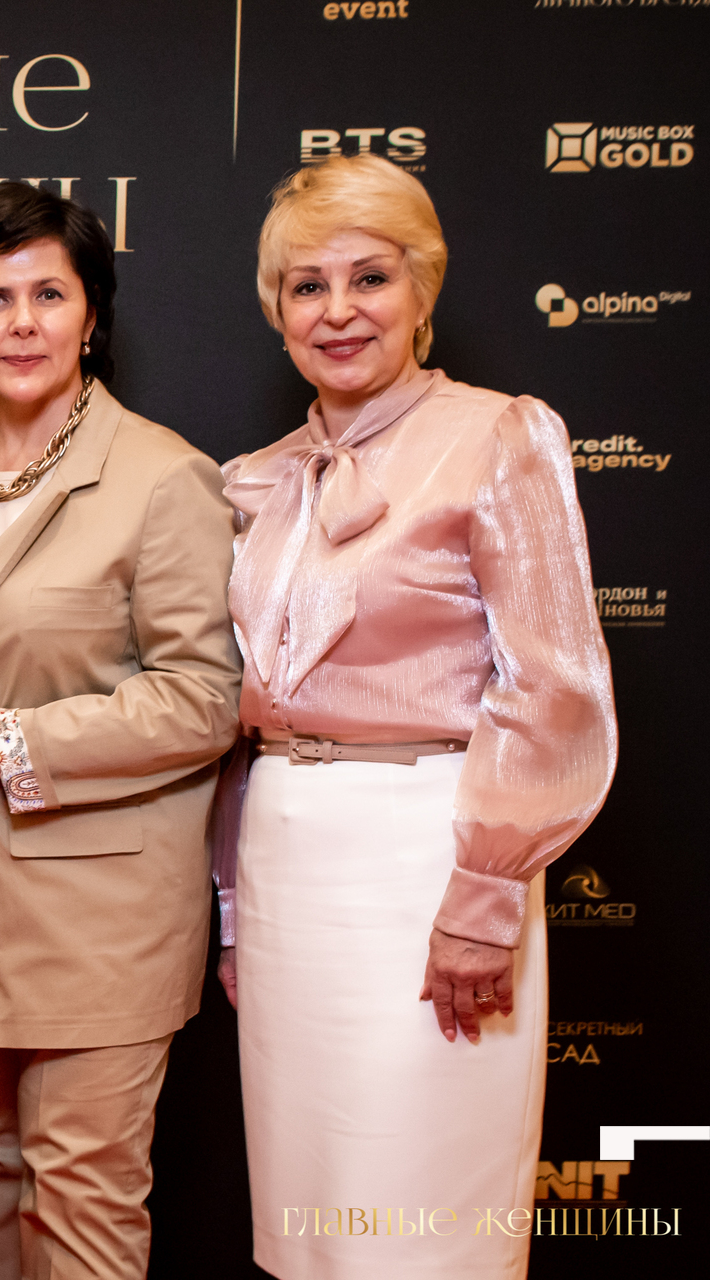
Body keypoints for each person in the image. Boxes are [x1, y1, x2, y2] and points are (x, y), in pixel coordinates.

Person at [214, 154, 616, 1280]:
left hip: (429, 861)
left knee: (420, 1219)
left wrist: (487, 896)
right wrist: (234, 903)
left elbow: (552, 685)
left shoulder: (498, 434)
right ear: (276, 309)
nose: (338, 310)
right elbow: (246, 714)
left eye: (370, 277)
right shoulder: (259, 479)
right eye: (307, 285)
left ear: (421, 289)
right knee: (313, 1217)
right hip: (288, 865)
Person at [0, 181, 242, 1280]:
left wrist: (5, 745)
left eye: (50, 294)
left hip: (96, 918)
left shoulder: (161, 475)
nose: (23, 322)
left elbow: (203, 697)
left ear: (92, 317)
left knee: (81, 1200)